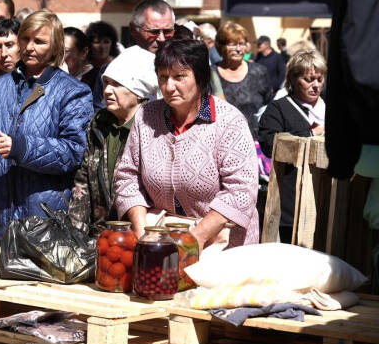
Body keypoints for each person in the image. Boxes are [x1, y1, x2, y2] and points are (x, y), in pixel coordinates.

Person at [114, 39, 260, 249]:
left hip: (221, 243)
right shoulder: (146, 116)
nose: (169, 86)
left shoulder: (229, 121)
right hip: (158, 237)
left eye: (179, 77)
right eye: (163, 77)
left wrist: (195, 239)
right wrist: (141, 233)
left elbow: (241, 189)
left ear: (200, 78)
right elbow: (127, 177)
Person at [0, 11, 93, 240]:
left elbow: (74, 151)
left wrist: (21, 147)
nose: (30, 47)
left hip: (46, 225)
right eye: (25, 39)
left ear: (56, 48)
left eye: (39, 41)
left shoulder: (73, 91)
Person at [68, 54, 151, 235]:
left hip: (138, 234)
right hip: (101, 235)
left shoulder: (153, 126)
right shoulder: (99, 124)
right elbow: (83, 181)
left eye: (117, 84)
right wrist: (76, 234)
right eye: (105, 83)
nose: (107, 91)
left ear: (138, 91)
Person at [258, 49, 326, 243]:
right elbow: (270, 144)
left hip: (325, 202)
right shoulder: (278, 109)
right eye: (309, 79)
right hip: (291, 202)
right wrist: (312, 135)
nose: (315, 85)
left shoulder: (329, 108)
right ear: (294, 79)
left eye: (319, 79)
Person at [215, 22, 273, 138]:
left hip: (255, 141)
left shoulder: (259, 72)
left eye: (241, 44)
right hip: (221, 139)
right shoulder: (210, 74)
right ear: (221, 46)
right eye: (232, 44)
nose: (238, 49)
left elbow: (268, 106)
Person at [83, 21, 119, 109]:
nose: (102, 47)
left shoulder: (118, 67)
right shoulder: (83, 69)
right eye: (97, 42)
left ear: (112, 44)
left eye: (106, 42)